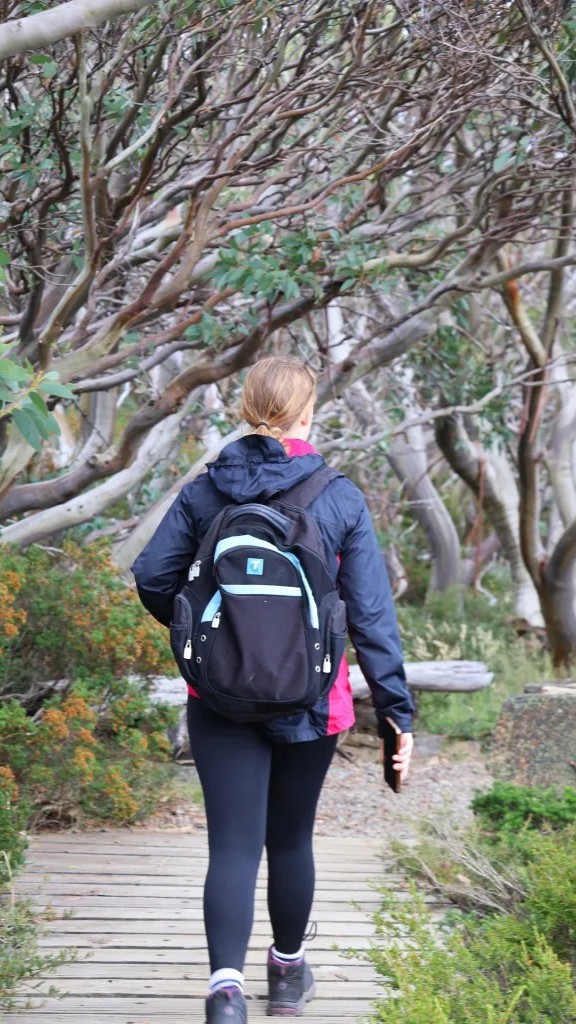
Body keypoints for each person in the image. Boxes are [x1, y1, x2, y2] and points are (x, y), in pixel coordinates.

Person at [132, 356, 414, 1024]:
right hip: (313, 698)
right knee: (290, 840)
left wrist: (208, 639)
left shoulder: (207, 491)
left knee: (232, 845)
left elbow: (152, 577)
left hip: (218, 698)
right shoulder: (338, 496)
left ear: (246, 410)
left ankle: (225, 993)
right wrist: (396, 714)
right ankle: (287, 975)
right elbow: (372, 617)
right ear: (307, 414)